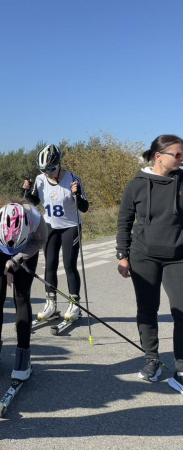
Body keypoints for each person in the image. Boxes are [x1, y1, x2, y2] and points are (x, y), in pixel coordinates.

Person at [116, 134, 183, 389]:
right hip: (144, 255)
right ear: (159, 156)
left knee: (182, 312)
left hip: (179, 256)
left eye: (182, 155)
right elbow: (124, 221)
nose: (181, 159)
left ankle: (181, 368)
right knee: (147, 309)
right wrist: (122, 255)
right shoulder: (137, 185)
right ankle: (151, 359)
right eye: (176, 154)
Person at [0, 199, 47, 386]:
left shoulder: (36, 219)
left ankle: (23, 353)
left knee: (21, 296)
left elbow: (40, 240)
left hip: (24, 249)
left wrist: (16, 261)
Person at [22, 144, 89, 322]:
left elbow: (85, 207)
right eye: (43, 169)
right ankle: (51, 303)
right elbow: (33, 201)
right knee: (50, 265)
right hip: (50, 227)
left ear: (59, 164)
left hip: (71, 227)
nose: (47, 173)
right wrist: (26, 191)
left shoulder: (73, 179)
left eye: (50, 169)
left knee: (69, 265)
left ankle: (74, 303)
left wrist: (78, 194)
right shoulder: (40, 180)